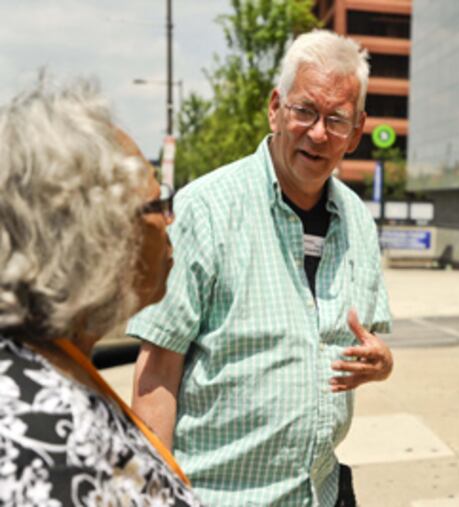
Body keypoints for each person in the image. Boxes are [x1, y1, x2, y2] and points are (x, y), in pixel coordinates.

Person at [127, 29, 393, 506]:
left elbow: (352, 342)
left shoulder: (358, 221)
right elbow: (156, 373)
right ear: (275, 108)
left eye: (336, 119)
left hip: (322, 491)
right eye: (305, 110)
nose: (317, 133)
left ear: (356, 132)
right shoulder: (204, 211)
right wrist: (153, 496)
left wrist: (381, 363)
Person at [0, 80, 201, 505]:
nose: (170, 223)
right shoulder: (46, 439)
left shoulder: (37, 365)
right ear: (98, 235)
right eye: (157, 204)